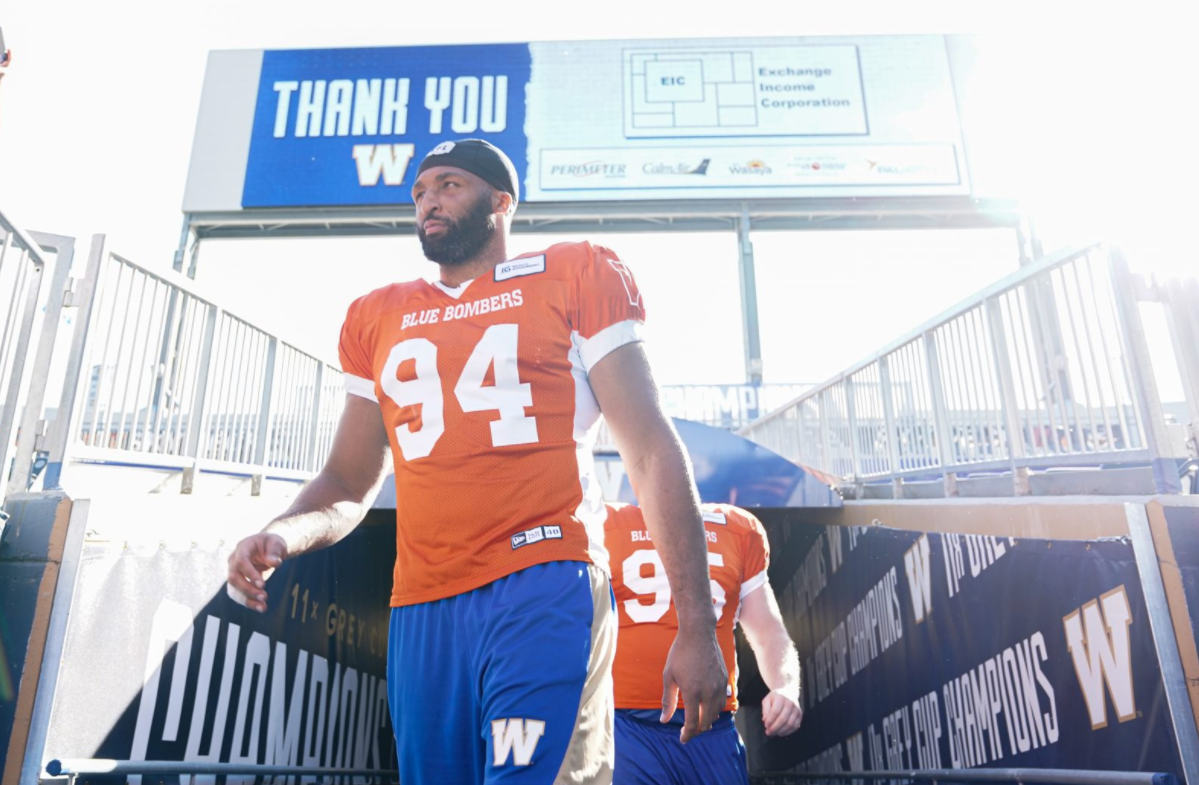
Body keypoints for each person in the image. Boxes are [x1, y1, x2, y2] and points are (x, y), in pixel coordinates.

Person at [226, 139, 727, 784]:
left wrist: (697, 627)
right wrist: (283, 533)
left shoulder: (576, 273)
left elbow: (651, 450)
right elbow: (348, 480)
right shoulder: (375, 316)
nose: (429, 199)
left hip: (542, 577)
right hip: (422, 605)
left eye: (450, 184)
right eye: (420, 191)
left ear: (501, 200)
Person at [605, 502, 802, 785]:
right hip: (624, 723)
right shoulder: (602, 522)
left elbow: (768, 632)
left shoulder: (737, 528)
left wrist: (785, 686)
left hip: (711, 724)